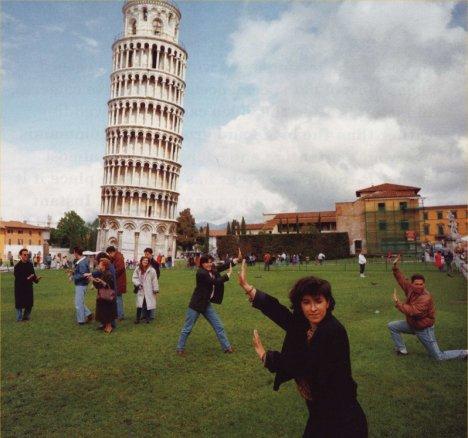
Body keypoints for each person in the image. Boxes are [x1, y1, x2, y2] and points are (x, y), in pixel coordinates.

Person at [237, 260, 367, 437]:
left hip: (341, 416)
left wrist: (266, 357)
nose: (313, 308)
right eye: (306, 302)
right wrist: (249, 288)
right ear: (300, 305)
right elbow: (281, 314)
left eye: (318, 301)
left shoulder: (332, 331)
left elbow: (301, 364)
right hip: (321, 410)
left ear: (327, 303)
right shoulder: (307, 324)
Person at [388, 255, 467, 360]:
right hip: (413, 324)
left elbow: (414, 311)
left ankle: (464, 353)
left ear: (424, 284)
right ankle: (402, 350)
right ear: (412, 284)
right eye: (416, 284)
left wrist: (398, 303)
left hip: (424, 329)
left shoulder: (426, 297)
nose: (419, 286)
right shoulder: (411, 289)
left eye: (421, 284)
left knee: (438, 357)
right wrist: (395, 267)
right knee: (392, 326)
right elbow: (402, 280)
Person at [176, 253, 239, 355]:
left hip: (206, 304)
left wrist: (235, 261)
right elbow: (214, 282)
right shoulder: (201, 273)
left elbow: (221, 267)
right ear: (202, 264)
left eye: (210, 262)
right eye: (207, 263)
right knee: (187, 328)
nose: (209, 264)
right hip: (196, 305)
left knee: (218, 326)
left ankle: (227, 347)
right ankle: (180, 348)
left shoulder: (211, 270)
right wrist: (227, 275)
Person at [89, 258, 117, 334]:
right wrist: (93, 280)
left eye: (100, 264)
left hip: (107, 296)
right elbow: (99, 284)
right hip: (102, 295)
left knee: (107, 311)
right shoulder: (102, 272)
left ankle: (109, 326)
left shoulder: (108, 273)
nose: (98, 265)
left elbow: (109, 285)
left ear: (104, 266)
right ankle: (104, 325)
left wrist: (101, 282)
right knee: (102, 310)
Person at [14, 248, 42, 321]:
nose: (26, 256)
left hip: (28, 287)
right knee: (19, 304)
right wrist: (27, 278)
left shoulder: (30, 264)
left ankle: (26, 317)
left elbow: (33, 275)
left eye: (27, 254)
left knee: (29, 303)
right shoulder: (17, 266)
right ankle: (19, 318)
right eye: (25, 254)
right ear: (21, 255)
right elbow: (18, 278)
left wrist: (36, 279)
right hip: (20, 288)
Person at [132, 256, 159, 324]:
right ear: (141, 261)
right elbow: (134, 277)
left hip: (149, 289)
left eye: (147, 260)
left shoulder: (152, 270)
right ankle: (137, 319)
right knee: (139, 304)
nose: (145, 261)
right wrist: (138, 284)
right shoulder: (138, 269)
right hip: (141, 289)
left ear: (148, 262)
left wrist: (155, 289)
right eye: (144, 260)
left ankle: (147, 318)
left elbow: (154, 280)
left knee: (148, 303)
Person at [71, 247, 93, 325]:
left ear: (76, 253)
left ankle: (81, 320)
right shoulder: (82, 261)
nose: (73, 254)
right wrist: (73, 273)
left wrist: (74, 277)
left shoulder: (82, 262)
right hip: (81, 284)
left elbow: (83, 274)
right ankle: (88, 314)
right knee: (79, 302)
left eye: (74, 253)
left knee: (78, 303)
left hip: (81, 284)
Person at [106, 246, 127, 320]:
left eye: (109, 253)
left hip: (119, 281)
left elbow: (120, 269)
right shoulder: (116, 257)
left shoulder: (119, 257)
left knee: (118, 298)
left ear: (112, 252)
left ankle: (120, 315)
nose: (109, 255)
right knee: (117, 298)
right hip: (117, 280)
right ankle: (118, 313)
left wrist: (111, 275)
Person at [143, 248, 161, 321]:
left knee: (152, 299)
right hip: (145, 283)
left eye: (147, 254)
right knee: (144, 299)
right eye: (145, 254)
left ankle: (151, 315)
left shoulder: (155, 263)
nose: (146, 256)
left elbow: (157, 274)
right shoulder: (144, 261)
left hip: (152, 284)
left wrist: (154, 283)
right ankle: (144, 314)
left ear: (151, 254)